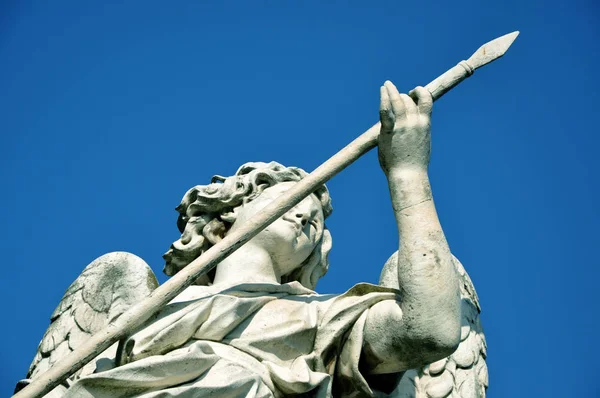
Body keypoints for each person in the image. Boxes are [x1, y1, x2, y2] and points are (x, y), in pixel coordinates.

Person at [24, 82, 463, 397]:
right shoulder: (144, 313)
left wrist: (407, 172)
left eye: (317, 218)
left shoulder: (323, 318)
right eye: (290, 198)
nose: (309, 213)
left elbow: (430, 331)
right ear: (228, 214)